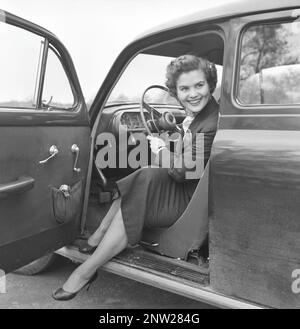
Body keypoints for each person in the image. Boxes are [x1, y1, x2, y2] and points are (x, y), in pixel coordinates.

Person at [52, 54, 219, 301]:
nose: (193, 94)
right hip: (190, 186)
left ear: (210, 85)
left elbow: (184, 171)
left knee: (139, 189)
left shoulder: (210, 122)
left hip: (189, 199)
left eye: (199, 86)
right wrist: (166, 148)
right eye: (184, 88)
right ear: (176, 92)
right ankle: (99, 233)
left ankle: (86, 270)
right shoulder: (202, 116)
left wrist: (161, 149)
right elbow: (190, 159)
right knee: (144, 175)